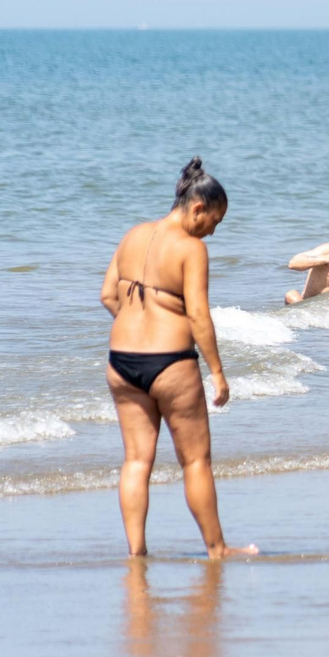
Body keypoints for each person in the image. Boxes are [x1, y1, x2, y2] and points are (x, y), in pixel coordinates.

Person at [97, 157, 256, 560]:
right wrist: (218, 372)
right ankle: (218, 549)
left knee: (136, 460)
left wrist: (137, 322)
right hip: (170, 363)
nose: (213, 231)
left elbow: (107, 295)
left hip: (121, 362)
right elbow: (199, 315)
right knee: (196, 461)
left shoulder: (132, 234)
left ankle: (136, 553)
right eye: (214, 221)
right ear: (198, 207)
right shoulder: (191, 248)